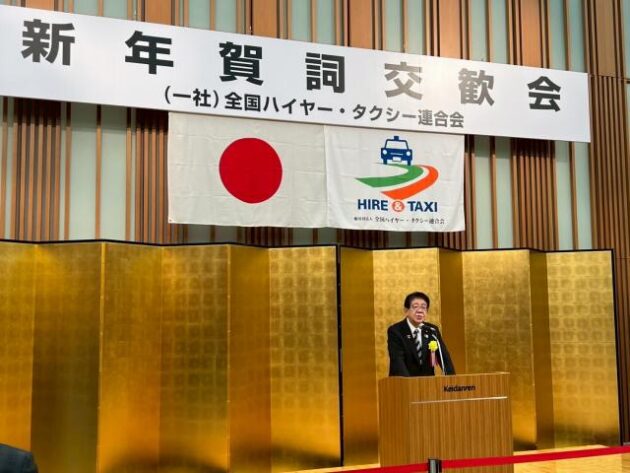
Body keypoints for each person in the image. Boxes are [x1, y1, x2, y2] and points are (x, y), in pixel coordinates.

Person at [387, 291, 455, 376]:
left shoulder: (432, 330)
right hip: (403, 382)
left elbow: (444, 358)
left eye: (423, 307)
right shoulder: (396, 331)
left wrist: (452, 379)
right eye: (415, 307)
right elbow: (397, 360)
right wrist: (409, 382)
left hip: (427, 382)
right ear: (406, 310)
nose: (420, 311)